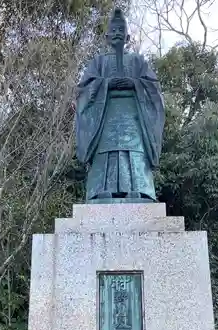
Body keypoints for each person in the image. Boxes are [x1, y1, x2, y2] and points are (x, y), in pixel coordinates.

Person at [75, 8, 165, 202]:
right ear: (107, 36)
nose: (117, 33)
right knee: (105, 151)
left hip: (134, 116)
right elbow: (83, 90)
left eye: (120, 30)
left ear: (128, 36)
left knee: (134, 150)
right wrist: (106, 84)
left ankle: (140, 191)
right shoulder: (98, 62)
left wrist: (135, 83)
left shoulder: (138, 61)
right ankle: (101, 191)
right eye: (113, 30)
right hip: (105, 116)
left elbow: (154, 89)